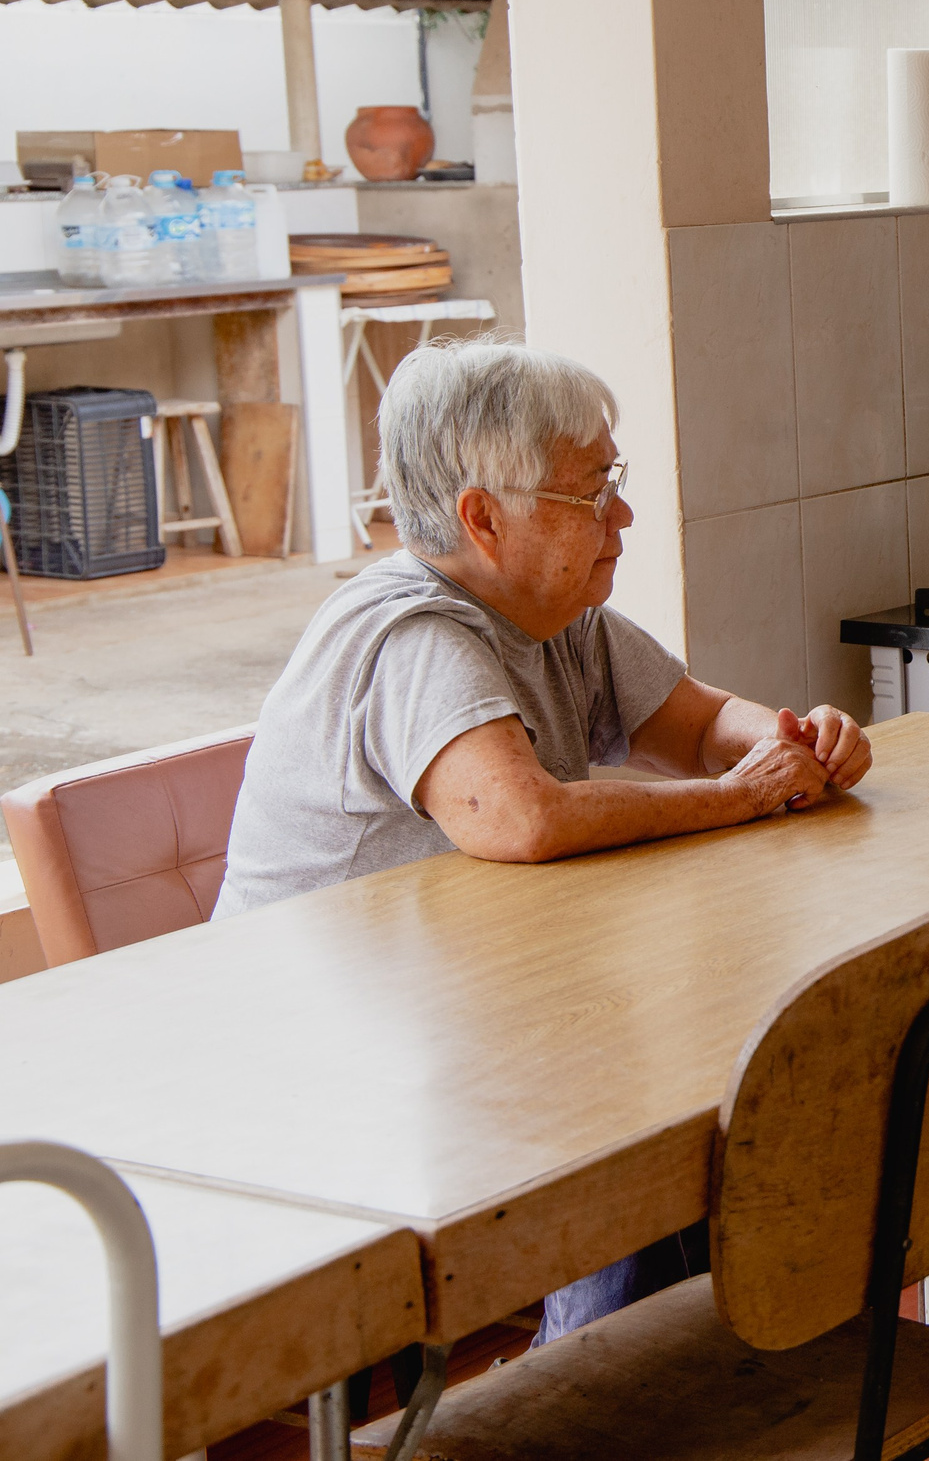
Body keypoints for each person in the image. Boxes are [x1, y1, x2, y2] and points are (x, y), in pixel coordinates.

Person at [216, 336, 872, 1349]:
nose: (623, 516)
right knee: (641, 1099)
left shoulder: (553, 614)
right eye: (591, 490)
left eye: (614, 480)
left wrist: (792, 738)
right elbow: (519, 817)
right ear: (483, 516)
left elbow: (697, 724)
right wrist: (740, 798)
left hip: (468, 1021)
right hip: (323, 1065)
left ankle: (687, 1374)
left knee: (689, 1083)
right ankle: (623, 1387)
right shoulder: (413, 634)